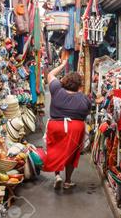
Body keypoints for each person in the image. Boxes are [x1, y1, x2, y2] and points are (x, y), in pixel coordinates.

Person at [43, 59, 91, 190]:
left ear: (65, 81)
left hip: (56, 125)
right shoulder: (83, 98)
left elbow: (50, 74)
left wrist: (62, 65)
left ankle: (57, 175)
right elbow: (86, 114)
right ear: (79, 86)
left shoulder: (57, 89)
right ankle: (68, 181)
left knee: (55, 150)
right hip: (75, 128)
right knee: (72, 153)